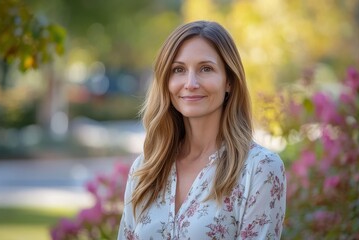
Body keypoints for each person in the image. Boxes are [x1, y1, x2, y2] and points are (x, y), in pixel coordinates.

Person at [117, 20, 286, 240]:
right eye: (178, 70)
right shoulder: (145, 169)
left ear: (229, 82)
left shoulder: (260, 169)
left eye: (206, 69)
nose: (190, 83)